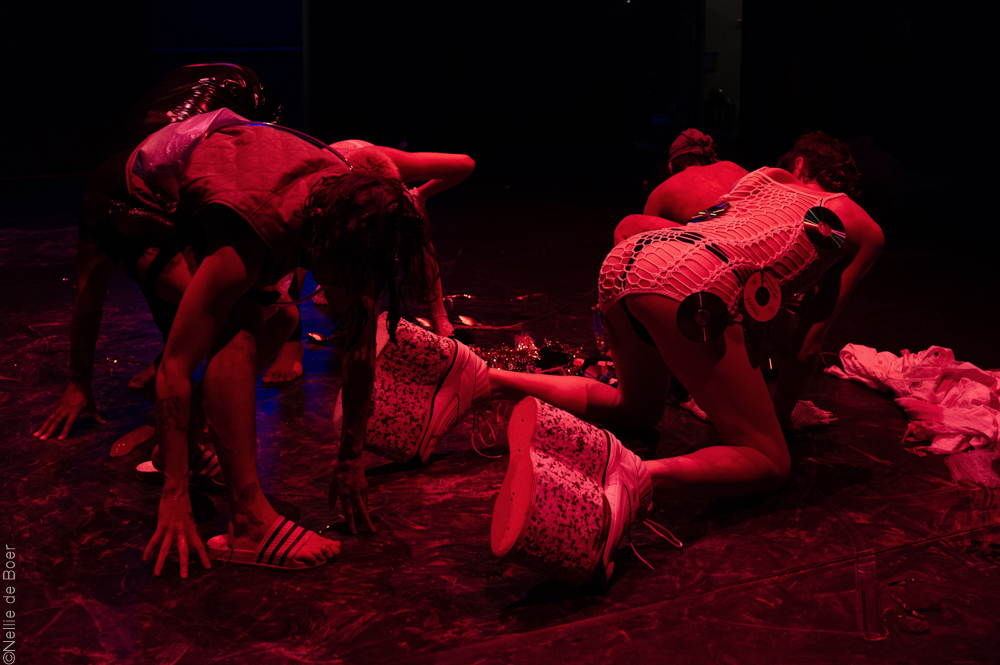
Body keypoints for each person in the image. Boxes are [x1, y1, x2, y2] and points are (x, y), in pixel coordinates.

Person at [487, 131, 884, 581]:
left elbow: (707, 222)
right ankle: (633, 473)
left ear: (797, 165)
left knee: (636, 410)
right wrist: (779, 419)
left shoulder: (765, 176)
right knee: (771, 464)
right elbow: (808, 345)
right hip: (695, 284)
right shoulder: (864, 228)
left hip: (629, 260)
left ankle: (488, 379)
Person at [128, 109, 437, 576]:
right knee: (242, 329)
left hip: (239, 180)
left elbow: (359, 344)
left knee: (280, 318)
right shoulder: (254, 235)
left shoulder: (359, 221)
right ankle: (247, 522)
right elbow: (175, 366)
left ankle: (186, 451)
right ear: (320, 241)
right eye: (342, 276)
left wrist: (351, 456)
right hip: (140, 195)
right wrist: (174, 495)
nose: (346, 289)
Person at [33, 63, 282, 441]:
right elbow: (88, 296)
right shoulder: (103, 216)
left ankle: (287, 350)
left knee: (254, 301)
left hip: (241, 96)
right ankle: (173, 362)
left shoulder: (181, 188)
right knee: (203, 294)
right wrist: (78, 383)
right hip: (152, 163)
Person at [260, 140, 475, 385]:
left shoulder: (391, 168)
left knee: (412, 230)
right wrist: (289, 336)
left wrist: (419, 195)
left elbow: (465, 164)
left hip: (372, 188)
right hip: (321, 198)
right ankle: (290, 346)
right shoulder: (307, 192)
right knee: (296, 265)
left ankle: (437, 314)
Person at [613, 128, 747, 245]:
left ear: (671, 167)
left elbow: (647, 238)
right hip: (753, 230)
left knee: (628, 226)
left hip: (719, 243)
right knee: (710, 215)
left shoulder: (664, 189)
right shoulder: (732, 167)